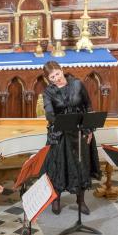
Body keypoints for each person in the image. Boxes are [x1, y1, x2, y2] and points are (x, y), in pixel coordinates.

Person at [40, 61, 101, 215]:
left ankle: (81, 201)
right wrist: (60, 122)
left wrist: (89, 130)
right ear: (49, 79)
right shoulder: (48, 92)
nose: (56, 78)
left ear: (62, 70)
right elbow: (49, 114)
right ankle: (56, 199)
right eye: (52, 77)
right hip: (60, 134)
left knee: (81, 166)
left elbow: (88, 106)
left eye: (57, 74)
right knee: (58, 167)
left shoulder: (77, 84)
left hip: (80, 132)